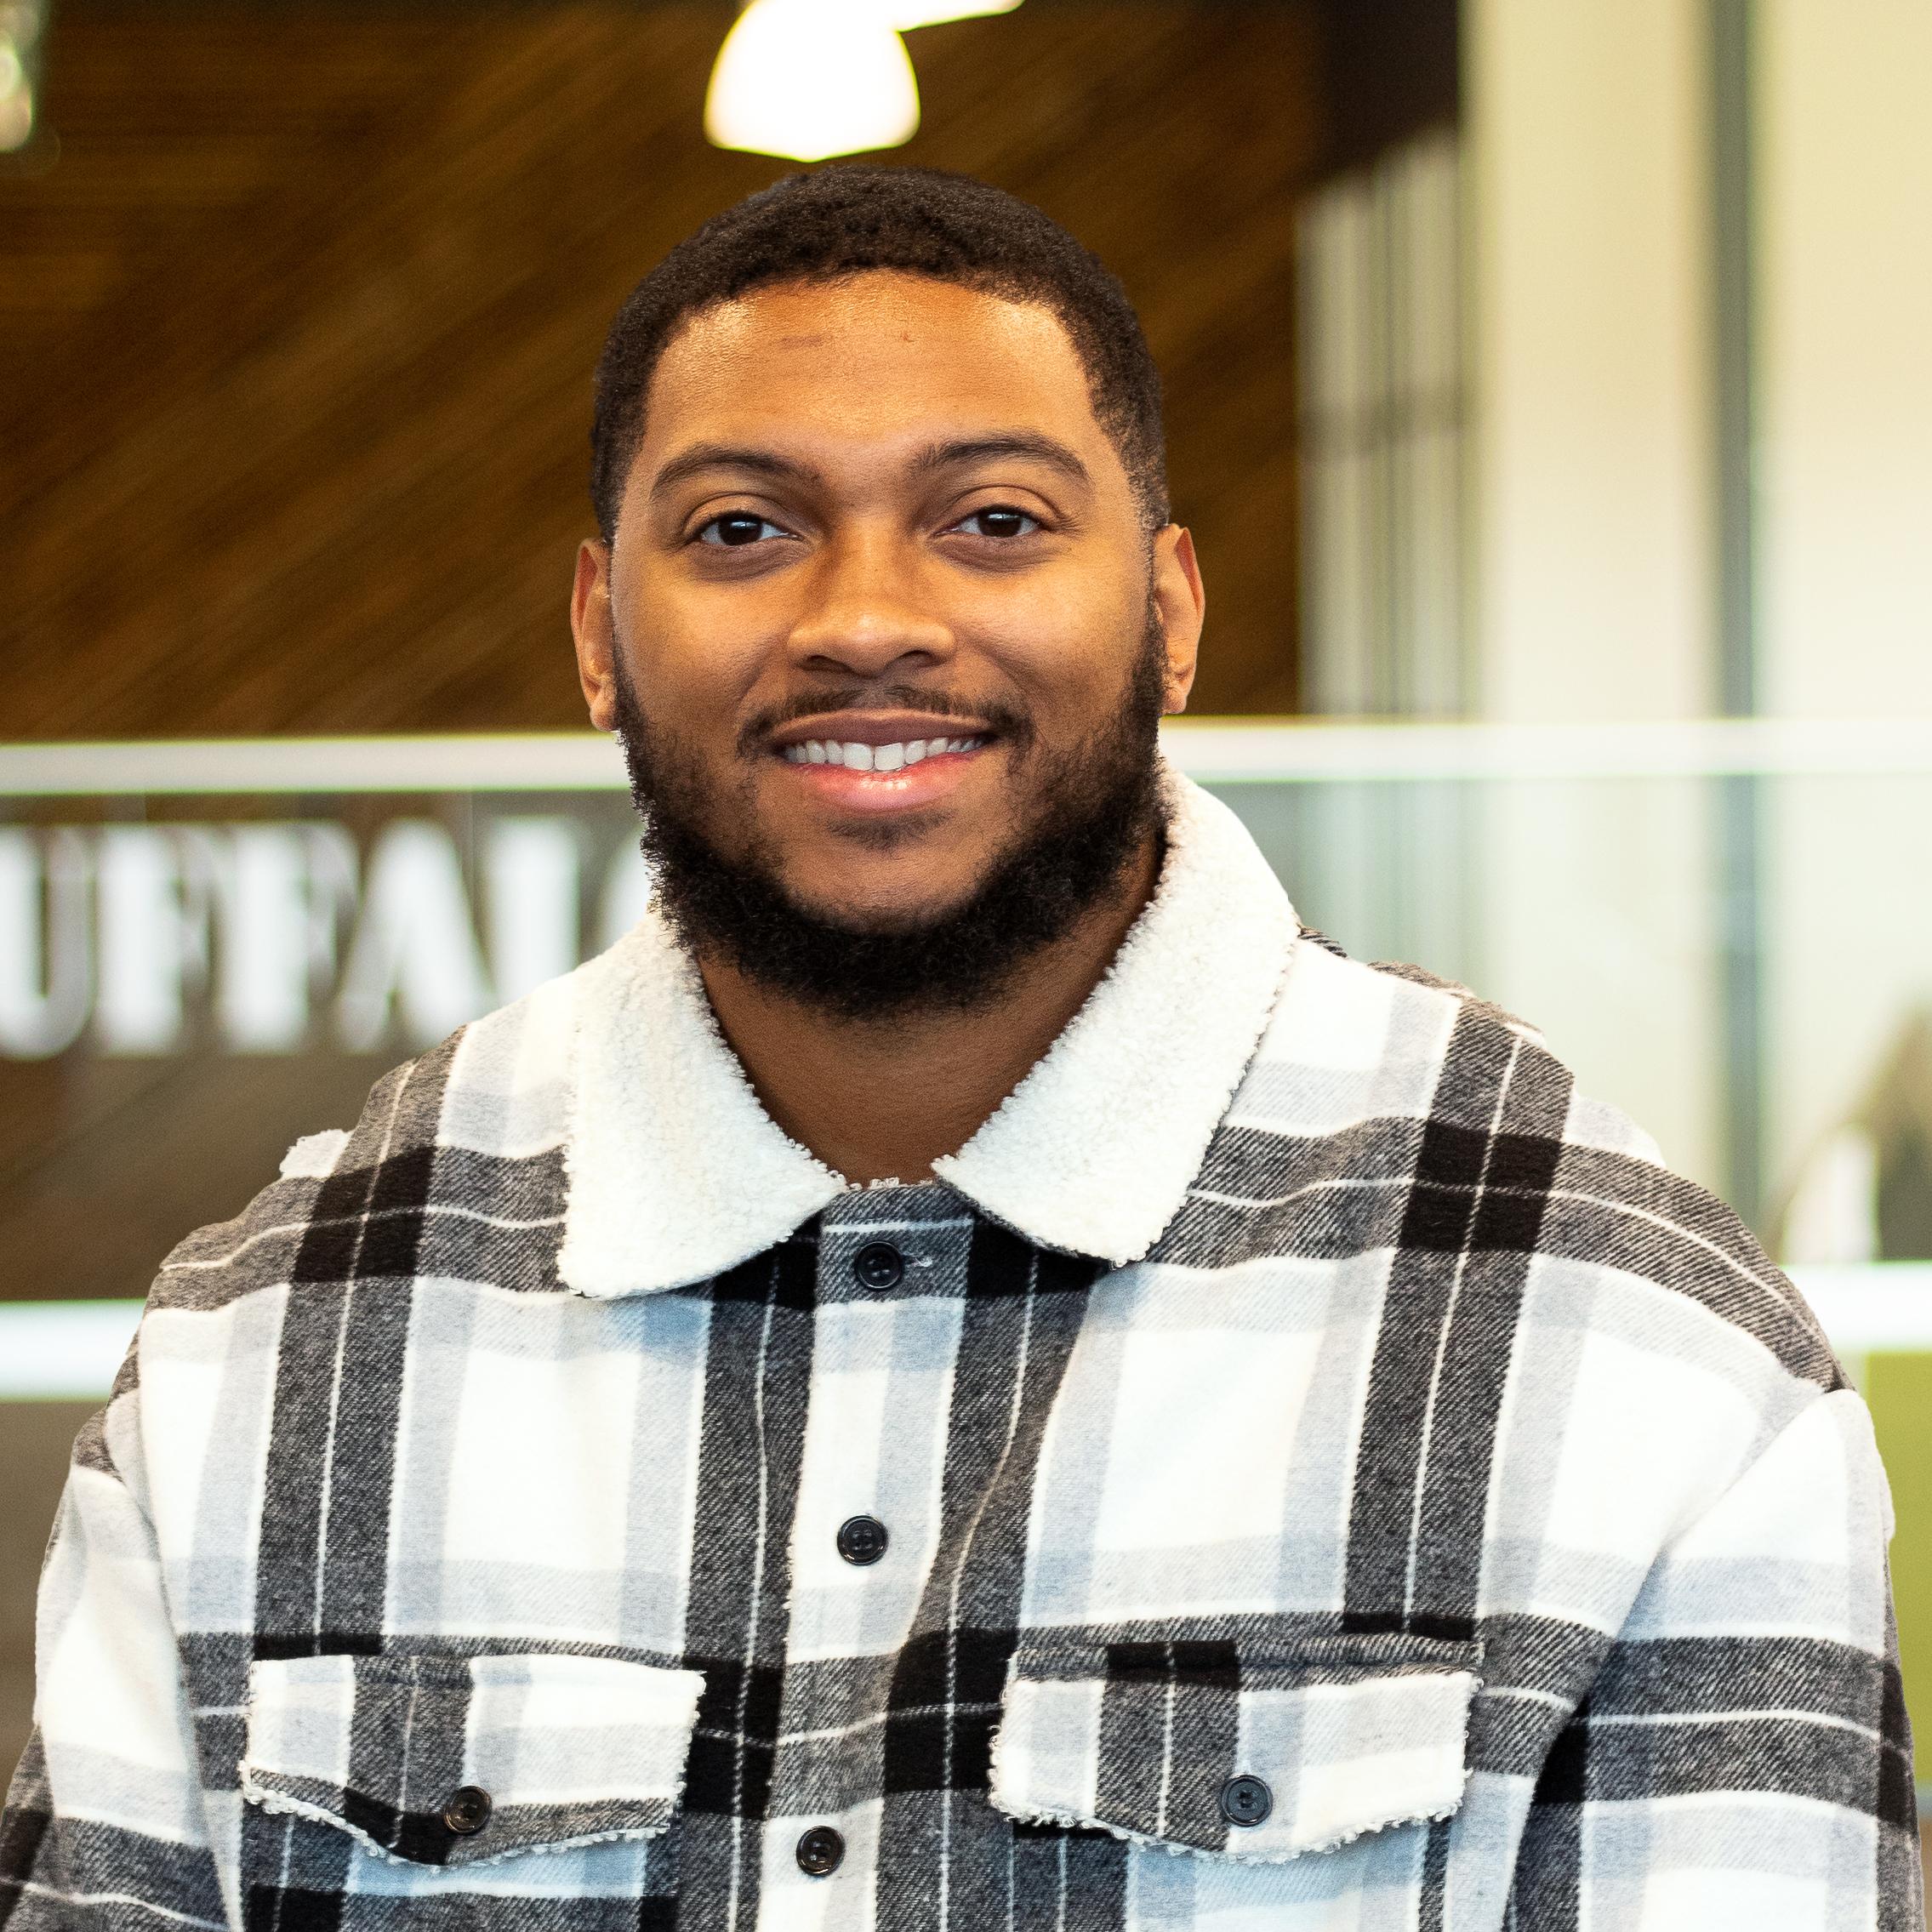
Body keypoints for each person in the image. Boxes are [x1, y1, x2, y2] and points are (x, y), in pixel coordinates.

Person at [1, 168, 1917, 1932]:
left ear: (1166, 611)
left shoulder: (1629, 1344)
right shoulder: (261, 1359)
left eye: (990, 521)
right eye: (741, 528)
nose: (864, 621)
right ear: (599, 630)